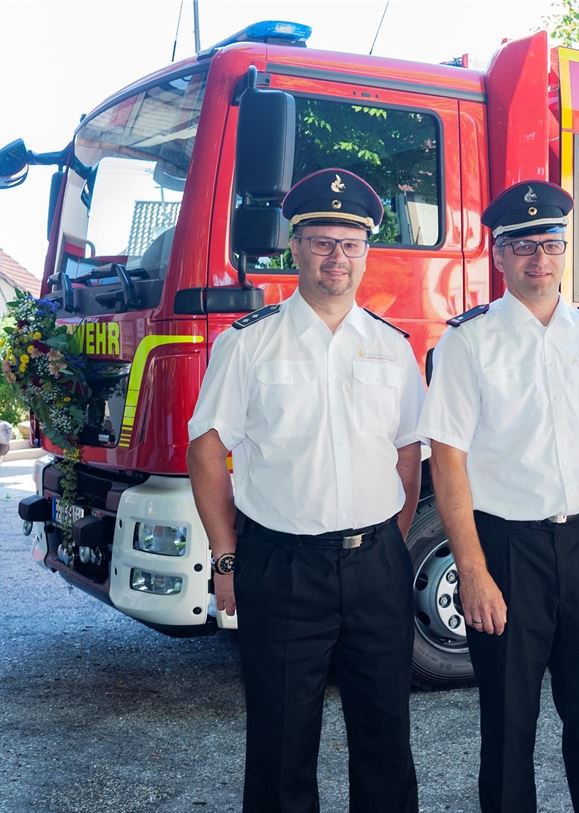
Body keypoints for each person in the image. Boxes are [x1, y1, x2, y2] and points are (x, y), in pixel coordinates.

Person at [186, 168, 423, 813]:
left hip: (375, 563)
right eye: (321, 241)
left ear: (368, 251)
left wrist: (388, 544)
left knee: (385, 739)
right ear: (294, 247)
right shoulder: (248, 343)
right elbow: (207, 449)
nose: (336, 256)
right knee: (282, 742)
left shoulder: (393, 348)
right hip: (283, 565)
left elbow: (408, 453)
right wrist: (228, 557)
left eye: (349, 244)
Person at [418, 180, 579, 813]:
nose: (539, 260)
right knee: (507, 727)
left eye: (551, 244)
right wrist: (471, 570)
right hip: (506, 549)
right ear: (498, 256)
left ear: (565, 250)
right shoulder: (468, 342)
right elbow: (447, 458)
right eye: (523, 247)